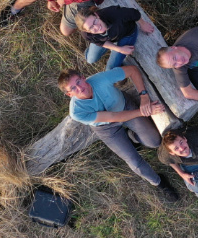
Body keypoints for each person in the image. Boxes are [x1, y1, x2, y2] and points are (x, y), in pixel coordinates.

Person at [59, 65, 178, 201]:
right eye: (73, 88)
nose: (79, 88)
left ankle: (132, 137)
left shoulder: (100, 79)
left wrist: (144, 96)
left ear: (83, 77)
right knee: (133, 161)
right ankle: (159, 183)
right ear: (69, 94)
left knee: (154, 141)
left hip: (125, 105)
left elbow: (132, 70)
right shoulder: (76, 112)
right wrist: (145, 111)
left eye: (78, 82)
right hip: (106, 127)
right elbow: (113, 117)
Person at [76, 4, 156, 70]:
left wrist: (143, 24)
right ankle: (94, 49)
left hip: (126, 34)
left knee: (109, 70)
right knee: (90, 60)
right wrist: (119, 49)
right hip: (107, 39)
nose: (96, 27)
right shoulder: (87, 35)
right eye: (91, 27)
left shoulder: (114, 13)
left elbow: (134, 13)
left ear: (96, 15)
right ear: (87, 31)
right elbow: (100, 42)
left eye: (95, 21)